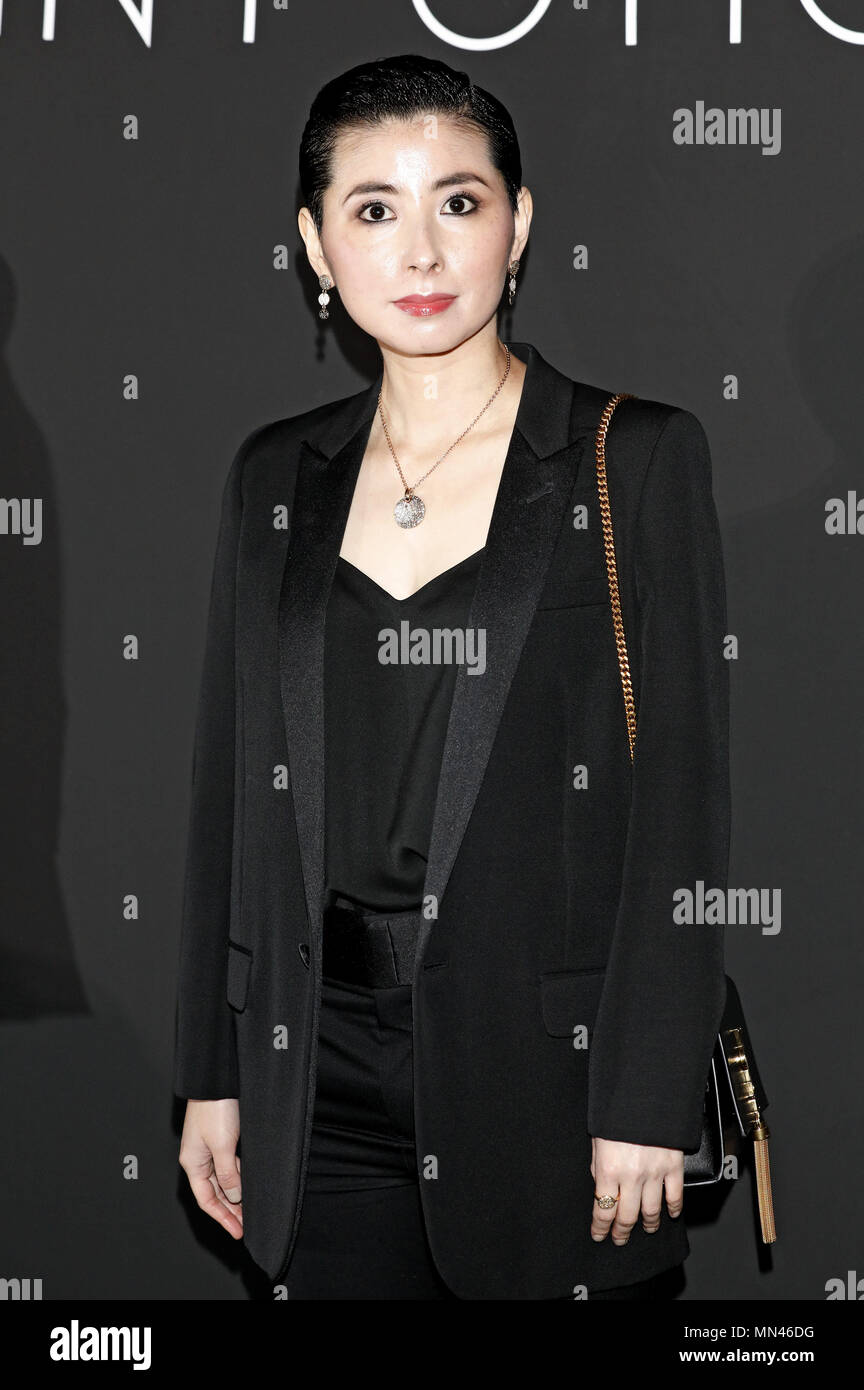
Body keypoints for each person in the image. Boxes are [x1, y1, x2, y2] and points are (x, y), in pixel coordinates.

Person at [174, 53, 729, 1301]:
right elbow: (231, 793)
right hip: (315, 1080)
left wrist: (645, 1089)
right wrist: (214, 1067)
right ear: (317, 244)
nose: (420, 253)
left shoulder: (630, 458)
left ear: (519, 225)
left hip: (551, 1075)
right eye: (374, 210)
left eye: (459, 203)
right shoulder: (276, 474)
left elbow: (684, 803)